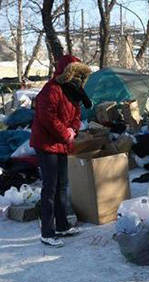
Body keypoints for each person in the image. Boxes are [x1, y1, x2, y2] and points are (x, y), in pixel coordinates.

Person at [30, 55, 93, 247]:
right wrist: (65, 132)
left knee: (62, 185)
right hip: (46, 143)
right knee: (50, 188)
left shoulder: (73, 91)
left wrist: (73, 129)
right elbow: (46, 117)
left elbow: (77, 114)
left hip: (62, 142)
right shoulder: (51, 89)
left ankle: (62, 225)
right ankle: (47, 232)